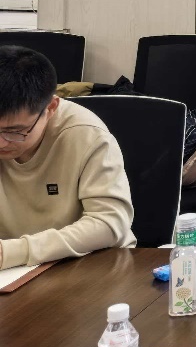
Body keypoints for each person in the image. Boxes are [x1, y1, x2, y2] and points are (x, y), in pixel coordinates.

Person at [0, 46, 134, 266]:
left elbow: (109, 223)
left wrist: (12, 252)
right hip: (14, 269)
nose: (2, 142)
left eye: (15, 131)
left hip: (90, 263)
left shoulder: (87, 135)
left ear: (51, 107)